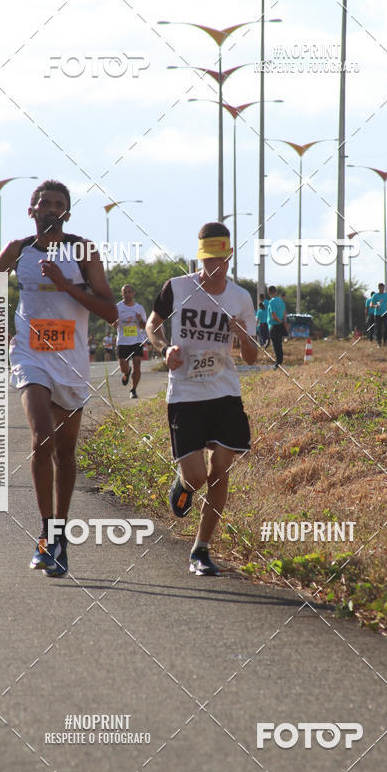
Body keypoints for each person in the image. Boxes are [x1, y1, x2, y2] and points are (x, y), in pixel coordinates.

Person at [0, 180, 117, 577]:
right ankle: (46, 533)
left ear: (67, 213)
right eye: (42, 202)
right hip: (30, 356)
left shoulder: (84, 251)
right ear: (31, 210)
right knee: (41, 437)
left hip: (72, 362)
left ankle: (60, 533)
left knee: (65, 452)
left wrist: (65, 285)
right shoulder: (16, 251)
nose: (49, 208)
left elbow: (110, 311)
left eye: (58, 204)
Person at [146, 222, 257, 576]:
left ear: (229, 256)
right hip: (184, 393)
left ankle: (201, 549)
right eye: (207, 260)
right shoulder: (177, 288)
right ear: (200, 257)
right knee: (196, 477)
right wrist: (164, 349)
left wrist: (241, 335)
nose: (213, 267)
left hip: (224, 392)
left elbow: (253, 357)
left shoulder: (240, 298)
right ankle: (183, 485)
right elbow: (152, 324)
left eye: (219, 260)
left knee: (221, 469)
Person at [114, 284, 147, 399]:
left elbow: (144, 326)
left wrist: (140, 320)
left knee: (137, 363)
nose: (127, 294)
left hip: (137, 340)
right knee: (123, 364)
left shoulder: (139, 308)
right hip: (123, 341)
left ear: (133, 293)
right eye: (125, 292)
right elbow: (112, 323)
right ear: (122, 294)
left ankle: (133, 390)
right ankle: (127, 372)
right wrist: (114, 323)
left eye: (129, 292)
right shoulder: (117, 307)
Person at [266, 285, 288, 369]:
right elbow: (285, 313)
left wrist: (279, 321)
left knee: (276, 345)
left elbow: (273, 315)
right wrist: (283, 322)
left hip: (274, 325)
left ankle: (278, 363)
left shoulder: (271, 302)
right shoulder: (281, 301)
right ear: (276, 291)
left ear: (269, 293)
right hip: (281, 325)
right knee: (279, 344)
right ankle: (280, 361)